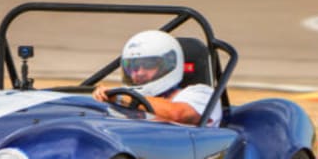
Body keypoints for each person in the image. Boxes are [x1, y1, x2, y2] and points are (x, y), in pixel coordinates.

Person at [92, 30, 222, 126]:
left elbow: (177, 114)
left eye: (149, 65)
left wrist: (122, 98)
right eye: (133, 66)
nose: (139, 73)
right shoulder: (122, 97)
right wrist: (103, 97)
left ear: (168, 64)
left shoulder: (201, 94)